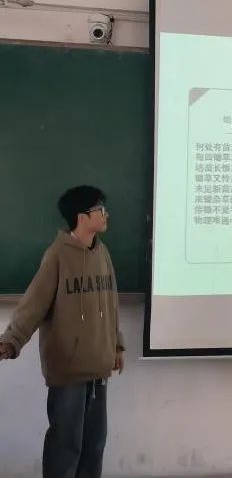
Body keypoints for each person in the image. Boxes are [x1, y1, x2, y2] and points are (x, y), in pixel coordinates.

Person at [0, 185, 125, 478]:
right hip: (68, 371)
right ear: (82, 217)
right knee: (66, 446)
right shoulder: (57, 255)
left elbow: (111, 302)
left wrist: (117, 345)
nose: (106, 214)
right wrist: (10, 341)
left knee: (94, 446)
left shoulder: (103, 253)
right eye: (100, 209)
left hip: (99, 368)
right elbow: (33, 304)